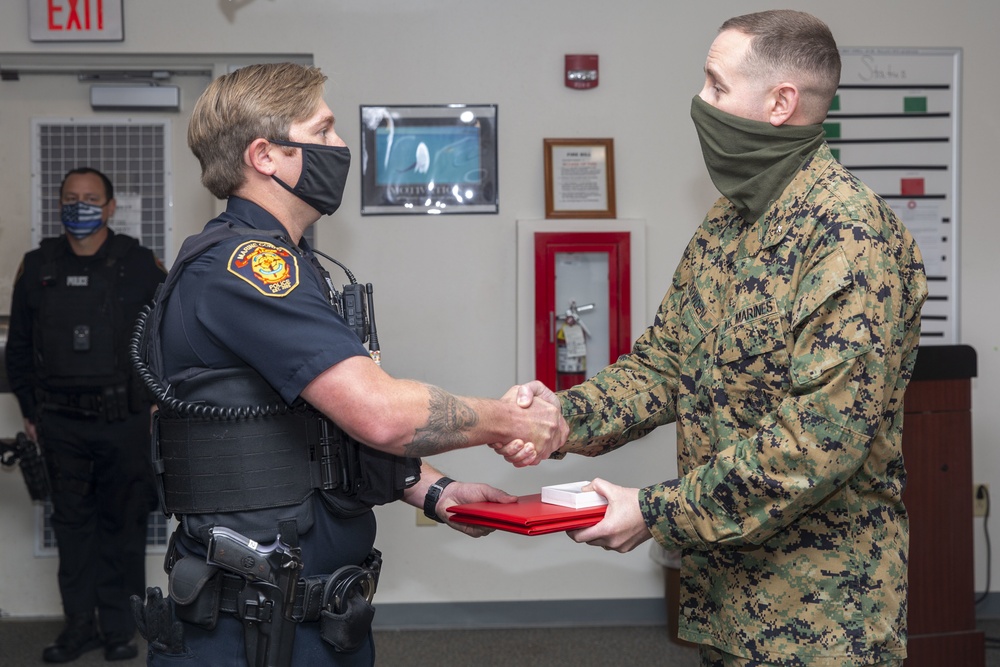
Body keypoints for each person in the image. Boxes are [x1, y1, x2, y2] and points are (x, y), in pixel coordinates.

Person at [499, 10, 928, 667]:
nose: (701, 102)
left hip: (821, 619)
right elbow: (665, 367)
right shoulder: (729, 223)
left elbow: (817, 441)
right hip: (730, 601)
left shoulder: (846, 233)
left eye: (716, 85)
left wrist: (654, 510)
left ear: (780, 102)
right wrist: (562, 418)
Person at [128, 62, 565, 667]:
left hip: (310, 613)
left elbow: (316, 428)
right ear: (267, 156)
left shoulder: (287, 261)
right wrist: (509, 421)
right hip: (252, 629)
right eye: (324, 129)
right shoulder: (247, 269)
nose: (341, 145)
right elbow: (379, 413)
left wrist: (438, 491)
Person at [5, 167, 167, 662]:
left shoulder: (140, 265)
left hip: (126, 422)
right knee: (72, 528)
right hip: (59, 424)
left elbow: (168, 336)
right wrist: (32, 411)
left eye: (91, 198)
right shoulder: (36, 266)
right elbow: (19, 349)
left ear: (111, 207)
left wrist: (158, 401)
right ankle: (79, 628)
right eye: (71, 198)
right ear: (59, 205)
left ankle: (119, 629)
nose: (80, 205)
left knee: (125, 527)